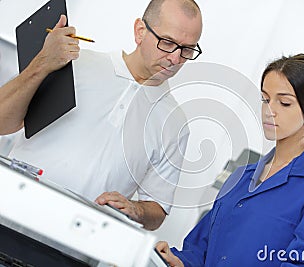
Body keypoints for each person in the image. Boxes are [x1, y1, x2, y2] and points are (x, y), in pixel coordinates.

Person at [0, 0, 203, 230]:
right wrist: (42, 64)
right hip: (9, 213)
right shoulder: (76, 64)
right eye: (167, 43)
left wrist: (136, 209)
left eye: (187, 50)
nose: (175, 59)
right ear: (140, 31)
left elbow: (157, 208)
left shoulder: (175, 125)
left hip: (77, 247)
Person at [156, 54, 304, 266]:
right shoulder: (241, 175)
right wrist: (179, 260)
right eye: (265, 99)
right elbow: (201, 248)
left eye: (284, 103)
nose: (270, 111)